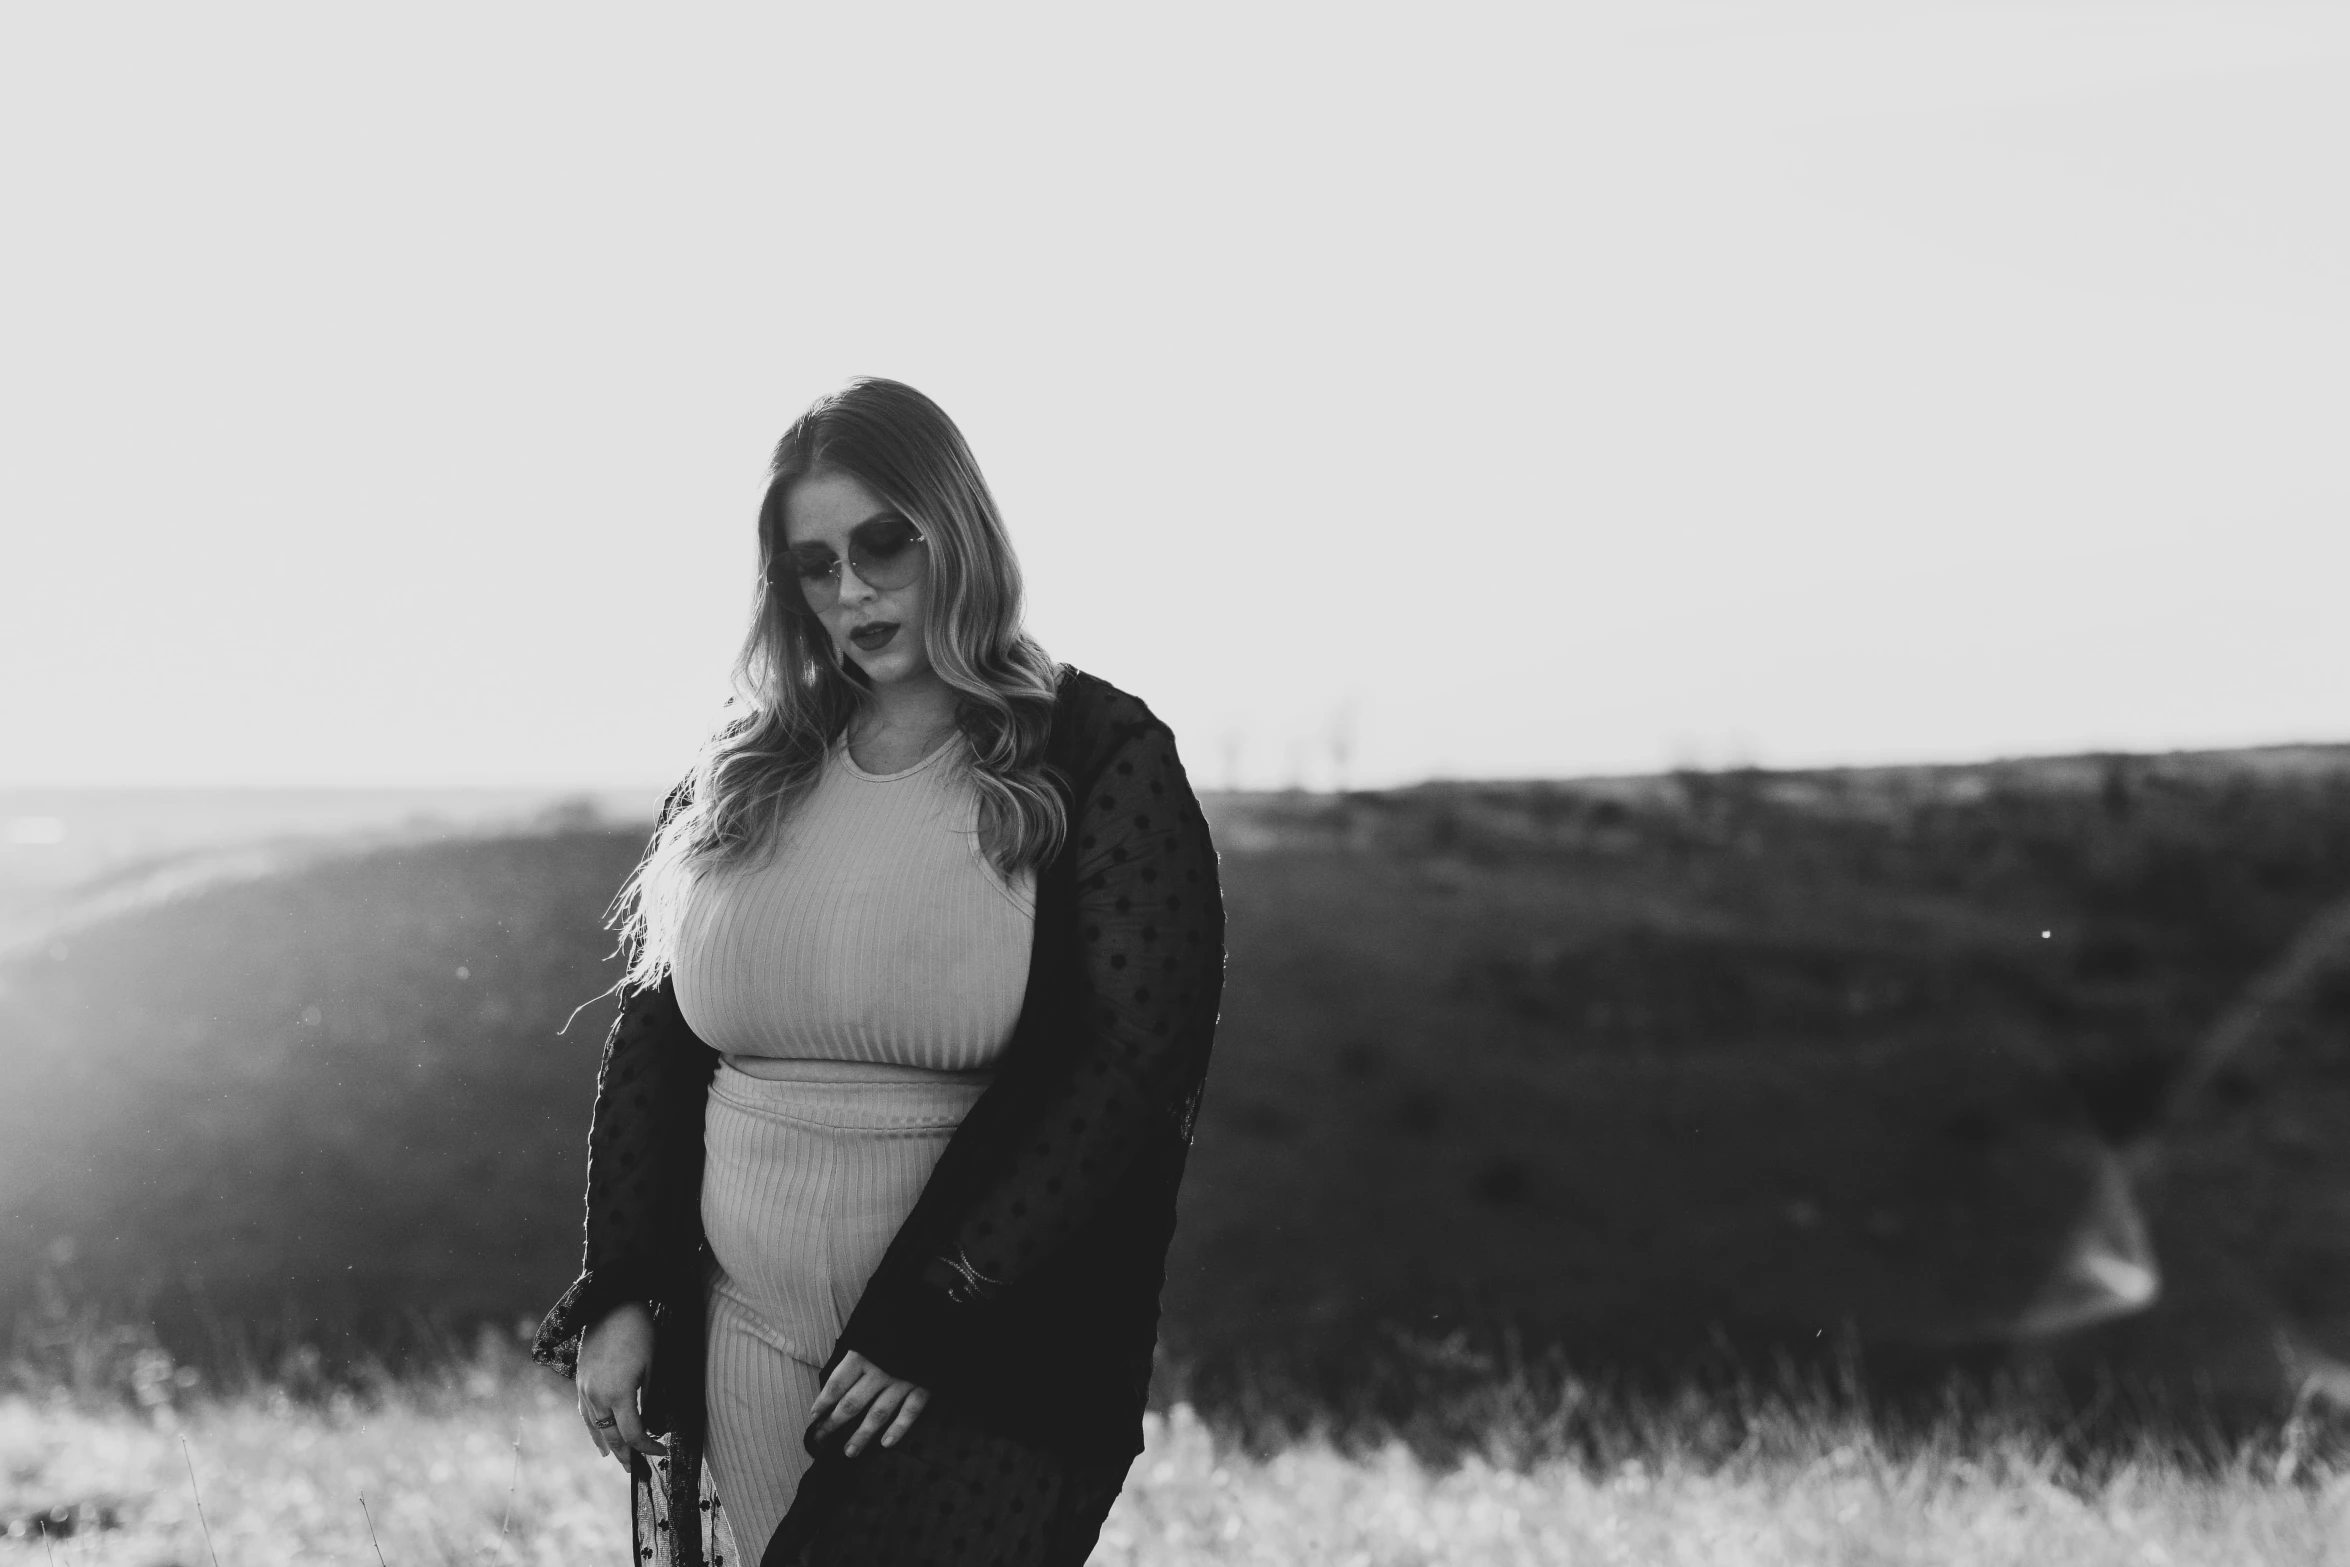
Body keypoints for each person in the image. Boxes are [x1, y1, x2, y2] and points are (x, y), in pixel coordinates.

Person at [531, 376, 1228, 1567]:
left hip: (981, 1354)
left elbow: (1126, 1069)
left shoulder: (1098, 757)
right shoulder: (740, 770)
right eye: (813, 564)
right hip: (743, 1342)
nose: (851, 590)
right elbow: (656, 1037)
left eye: (882, 543)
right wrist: (622, 1293)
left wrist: (927, 1320)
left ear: (955, 528)